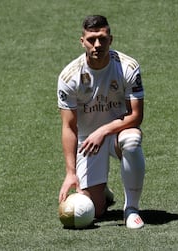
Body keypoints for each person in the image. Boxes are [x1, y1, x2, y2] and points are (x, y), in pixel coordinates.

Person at [57, 15, 145, 229]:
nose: (97, 45)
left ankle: (131, 209)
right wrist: (70, 174)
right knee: (93, 210)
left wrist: (103, 131)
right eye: (91, 39)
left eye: (102, 38)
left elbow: (136, 116)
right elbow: (69, 126)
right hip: (88, 142)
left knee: (132, 140)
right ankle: (102, 194)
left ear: (110, 39)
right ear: (82, 41)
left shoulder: (127, 67)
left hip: (117, 132)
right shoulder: (69, 77)